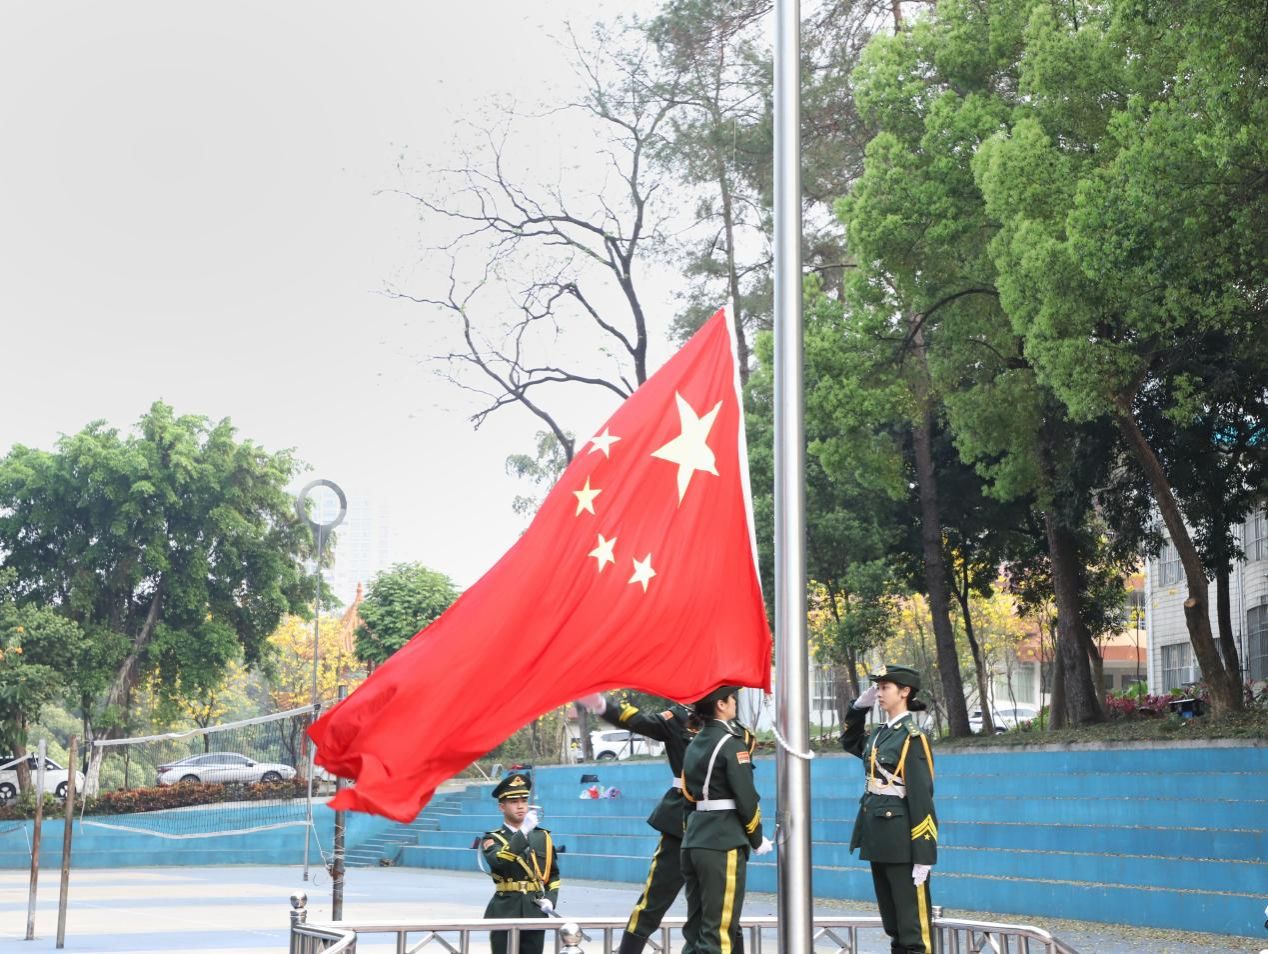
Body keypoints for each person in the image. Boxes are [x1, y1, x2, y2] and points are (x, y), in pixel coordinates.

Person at [578, 692, 696, 954]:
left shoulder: (731, 726)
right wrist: (604, 706)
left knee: (722, 905)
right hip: (683, 821)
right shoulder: (677, 718)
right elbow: (641, 721)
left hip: (719, 825)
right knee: (654, 901)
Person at [840, 665, 938, 954]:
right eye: (878, 688)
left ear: (905, 691)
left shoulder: (912, 737)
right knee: (894, 927)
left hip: (903, 843)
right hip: (878, 838)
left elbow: (922, 799)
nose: (879, 693)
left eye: (885, 687)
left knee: (913, 932)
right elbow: (849, 741)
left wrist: (923, 856)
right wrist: (858, 709)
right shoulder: (880, 734)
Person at [679, 685, 772, 954]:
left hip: (695, 838)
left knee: (696, 931)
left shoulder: (695, 743)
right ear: (720, 704)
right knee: (718, 932)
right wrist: (756, 838)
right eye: (731, 698)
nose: (734, 702)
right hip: (723, 841)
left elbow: (688, 796)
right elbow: (746, 797)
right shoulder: (730, 743)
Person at [480, 772, 561, 954]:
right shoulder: (492, 838)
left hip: (534, 910)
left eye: (524, 801)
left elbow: (553, 875)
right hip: (505, 910)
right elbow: (499, 862)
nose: (520, 806)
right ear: (502, 807)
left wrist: (550, 898)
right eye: (514, 802)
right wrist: (522, 833)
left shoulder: (542, 836)